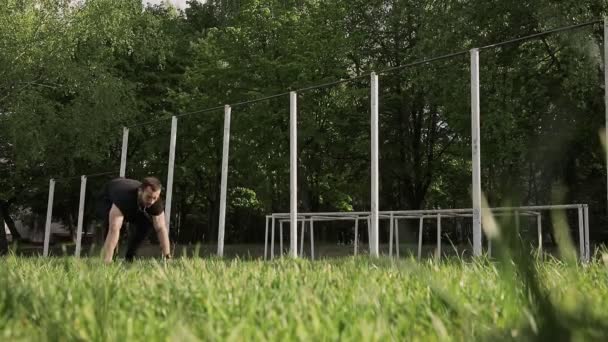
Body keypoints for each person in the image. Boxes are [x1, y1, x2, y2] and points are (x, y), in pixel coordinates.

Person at [96, 177, 171, 263]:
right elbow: (114, 228)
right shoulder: (123, 197)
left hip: (133, 202)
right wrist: (107, 261)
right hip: (107, 198)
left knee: (146, 225)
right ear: (140, 192)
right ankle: (110, 257)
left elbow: (161, 229)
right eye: (148, 197)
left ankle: (130, 256)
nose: (151, 201)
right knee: (116, 226)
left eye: (154, 198)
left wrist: (167, 257)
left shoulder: (155, 204)